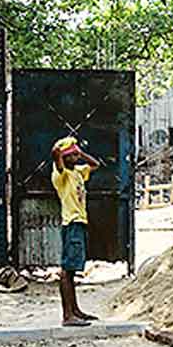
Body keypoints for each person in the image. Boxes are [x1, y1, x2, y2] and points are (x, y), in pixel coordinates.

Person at [51, 136, 101, 327]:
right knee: (67, 270)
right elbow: (55, 156)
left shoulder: (78, 172)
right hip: (71, 223)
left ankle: (75, 310)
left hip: (80, 223)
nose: (75, 157)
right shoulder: (60, 175)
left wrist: (80, 153)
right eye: (71, 155)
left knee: (72, 272)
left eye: (75, 154)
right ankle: (67, 315)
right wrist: (61, 150)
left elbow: (95, 164)